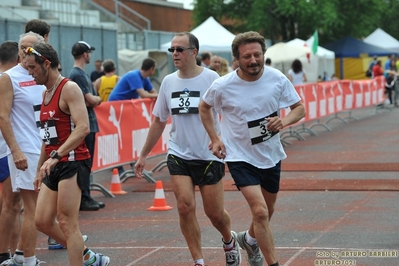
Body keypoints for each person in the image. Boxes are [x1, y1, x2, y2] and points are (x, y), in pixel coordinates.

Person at [134, 32, 241, 266]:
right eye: (172, 50)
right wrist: (143, 155)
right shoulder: (169, 82)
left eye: (179, 49)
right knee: (184, 206)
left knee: (215, 214)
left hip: (208, 155)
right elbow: (159, 120)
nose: (174, 54)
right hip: (179, 153)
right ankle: (198, 260)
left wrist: (224, 141)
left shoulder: (212, 79)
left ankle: (228, 240)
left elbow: (230, 112)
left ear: (193, 52)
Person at [199, 31, 306, 266]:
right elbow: (204, 107)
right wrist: (215, 138)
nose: (253, 60)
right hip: (239, 156)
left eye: (257, 55)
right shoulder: (223, 85)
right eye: (247, 56)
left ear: (263, 54)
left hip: (270, 154)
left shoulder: (277, 79)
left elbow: (299, 108)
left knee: (268, 210)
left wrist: (284, 121)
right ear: (237, 58)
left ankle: (248, 240)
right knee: (259, 212)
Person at [23, 42, 110, 266]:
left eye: (33, 68)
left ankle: (81, 257)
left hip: (73, 161)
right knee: (41, 221)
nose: (30, 73)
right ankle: (88, 256)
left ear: (47, 64)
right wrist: (39, 168)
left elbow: (83, 128)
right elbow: (47, 137)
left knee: (66, 223)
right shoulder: (44, 93)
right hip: (54, 163)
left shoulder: (69, 88)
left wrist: (55, 156)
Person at [0, 32, 46, 266]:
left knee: (32, 207)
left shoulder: (44, 75)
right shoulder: (9, 78)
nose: (25, 52)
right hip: (25, 150)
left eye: (30, 48)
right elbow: (3, 117)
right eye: (22, 48)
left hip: (44, 148)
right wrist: (15, 151)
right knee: (30, 208)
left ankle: (19, 255)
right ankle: (27, 259)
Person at [69, 41, 104, 211]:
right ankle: (84, 197)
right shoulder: (77, 75)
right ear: (85, 54)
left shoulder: (82, 74)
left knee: (87, 162)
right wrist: (95, 100)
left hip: (89, 123)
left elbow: (92, 99)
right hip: (85, 124)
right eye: (89, 52)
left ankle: (86, 196)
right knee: (84, 163)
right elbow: (91, 99)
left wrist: (93, 100)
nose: (90, 55)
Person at [108, 58, 158, 176]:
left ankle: (134, 163)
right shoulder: (134, 75)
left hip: (126, 110)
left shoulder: (145, 78)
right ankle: (118, 168)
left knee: (131, 136)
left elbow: (152, 92)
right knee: (120, 137)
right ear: (151, 69)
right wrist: (161, 95)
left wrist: (157, 95)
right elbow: (145, 94)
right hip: (117, 109)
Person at [0, 41, 23, 264]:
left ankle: (14, 254)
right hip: (6, 150)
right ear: (18, 59)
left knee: (10, 205)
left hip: (6, 149)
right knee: (13, 205)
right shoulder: (9, 80)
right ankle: (9, 255)